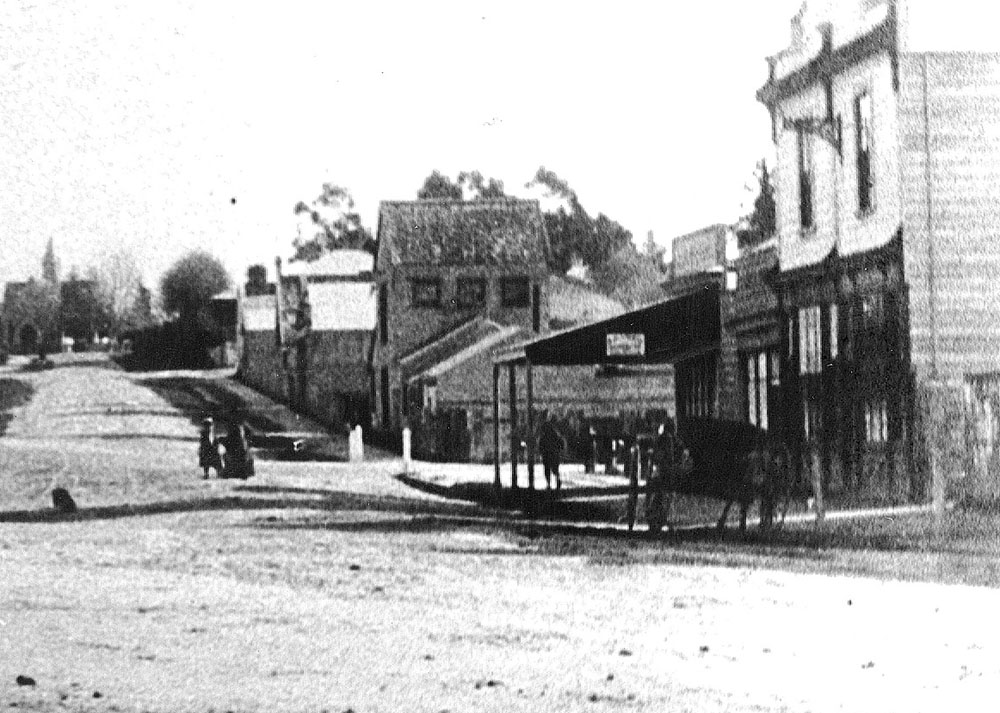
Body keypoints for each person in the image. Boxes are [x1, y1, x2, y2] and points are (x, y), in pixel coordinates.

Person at [538, 419, 566, 490]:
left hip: (546, 455)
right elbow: (561, 443)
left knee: (547, 470)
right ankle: (557, 480)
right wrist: (560, 451)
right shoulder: (556, 435)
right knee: (555, 469)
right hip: (555, 454)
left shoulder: (543, 436)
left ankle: (548, 484)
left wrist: (541, 453)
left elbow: (540, 446)